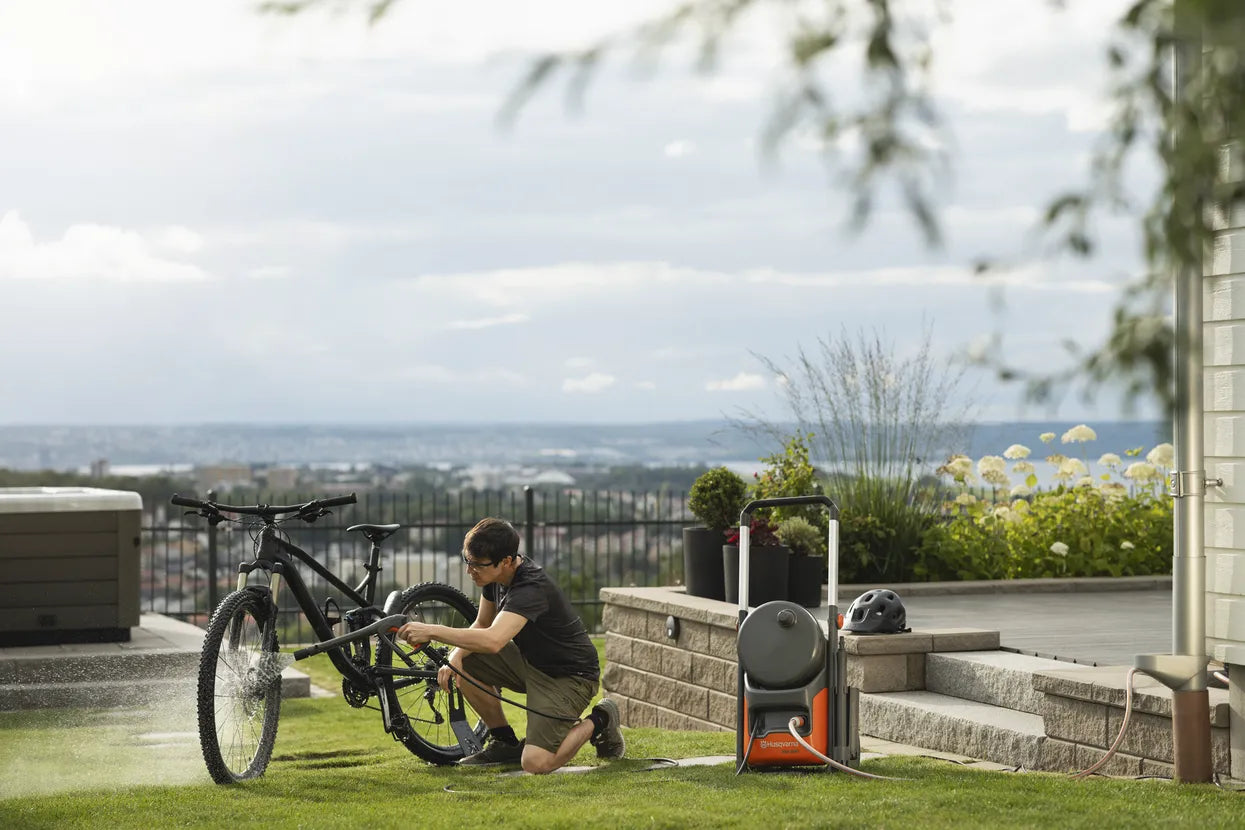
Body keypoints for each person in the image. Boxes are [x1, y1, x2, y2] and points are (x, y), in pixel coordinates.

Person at [397, 517, 624, 773]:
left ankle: (602, 718)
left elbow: (494, 640)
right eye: (466, 560)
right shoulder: (494, 576)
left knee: (536, 763)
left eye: (476, 565)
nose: (469, 570)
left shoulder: (530, 587)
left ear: (505, 561)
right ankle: (504, 742)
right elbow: (483, 623)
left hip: (569, 677)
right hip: (530, 663)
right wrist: (456, 656)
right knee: (463, 660)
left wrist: (432, 631)